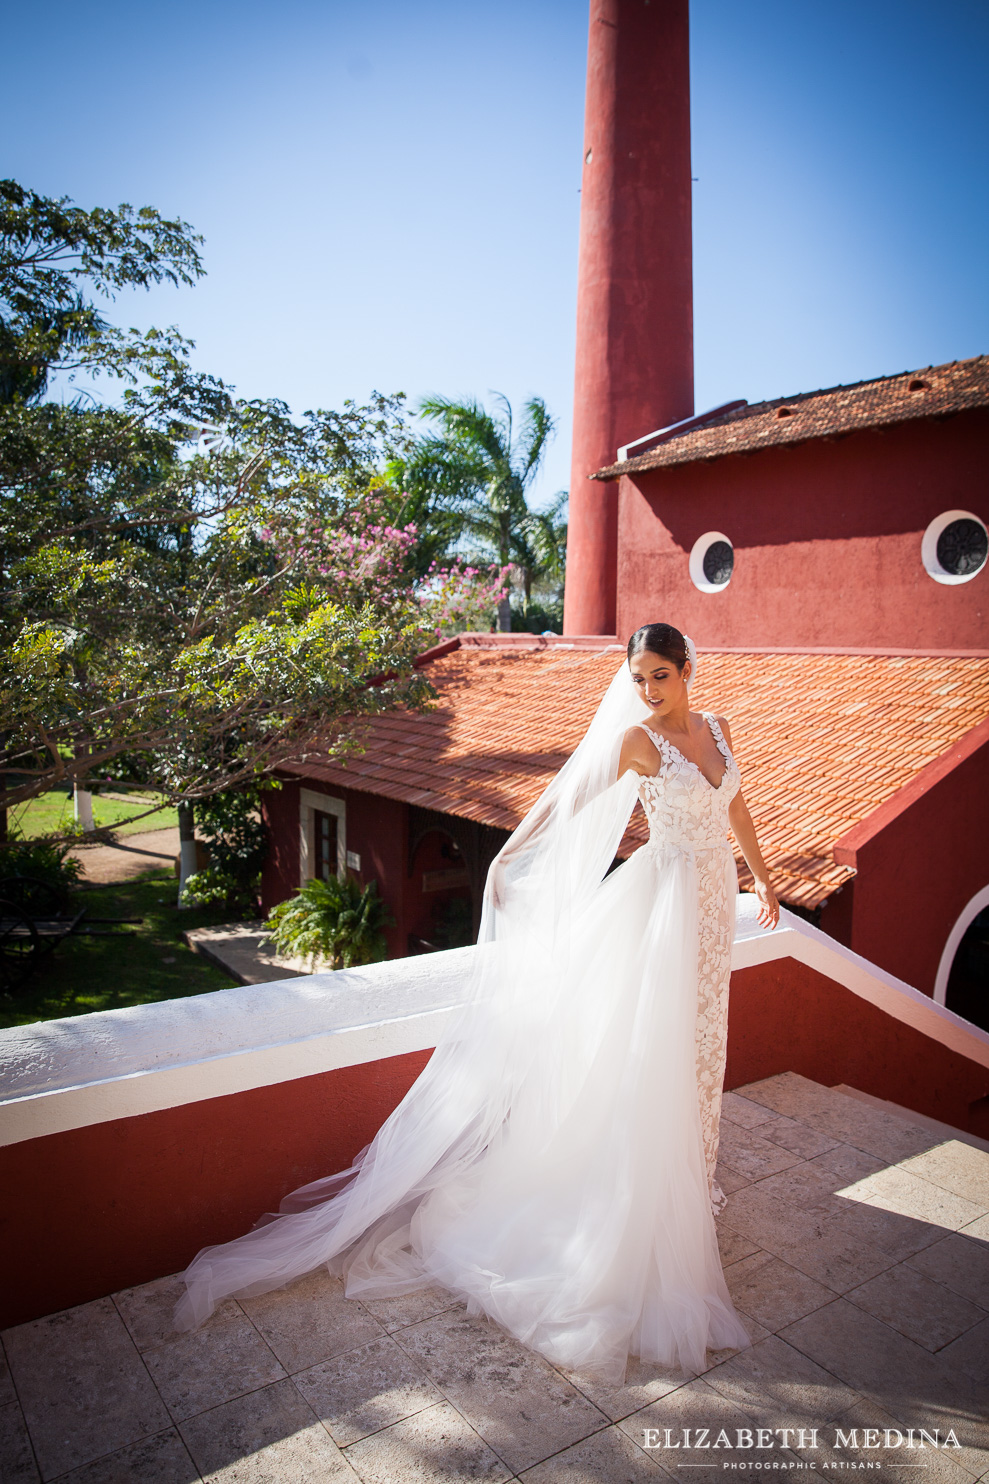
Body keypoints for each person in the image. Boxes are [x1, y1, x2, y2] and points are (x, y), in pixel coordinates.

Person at [174, 622, 780, 1387]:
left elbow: (735, 808)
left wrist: (761, 878)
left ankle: (693, 1178)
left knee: (703, 1044)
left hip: (711, 899)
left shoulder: (719, 730)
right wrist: (510, 858)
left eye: (660, 675)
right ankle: (640, 1211)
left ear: (688, 669)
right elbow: (566, 800)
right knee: (653, 1052)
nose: (649, 691)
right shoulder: (634, 742)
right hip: (658, 908)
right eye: (638, 680)